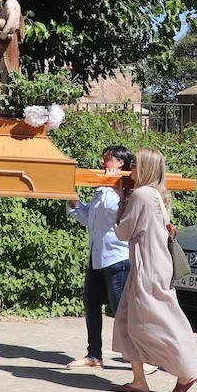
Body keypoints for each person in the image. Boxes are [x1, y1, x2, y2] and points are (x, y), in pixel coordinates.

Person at [109, 148, 197, 392]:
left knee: (162, 319)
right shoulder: (158, 194)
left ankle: (187, 370)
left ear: (147, 167)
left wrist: (121, 201)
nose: (131, 169)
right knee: (126, 320)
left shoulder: (141, 194)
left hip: (148, 267)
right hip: (153, 264)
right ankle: (139, 380)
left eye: (136, 164)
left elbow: (122, 231)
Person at [66, 145, 132, 369]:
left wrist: (117, 189)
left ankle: (141, 358)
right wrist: (72, 199)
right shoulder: (101, 188)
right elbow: (89, 220)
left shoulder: (126, 187)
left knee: (121, 311)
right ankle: (94, 355)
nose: (102, 163)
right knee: (91, 304)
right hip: (97, 257)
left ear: (120, 163)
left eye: (107, 159)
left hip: (118, 257)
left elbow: (121, 219)